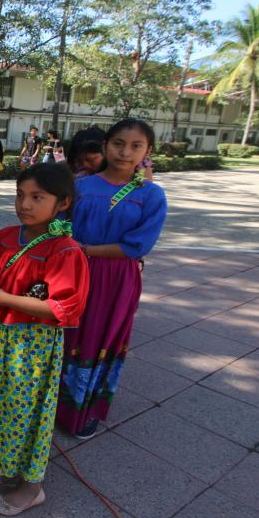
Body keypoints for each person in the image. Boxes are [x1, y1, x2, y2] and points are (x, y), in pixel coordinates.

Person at [0, 163, 90, 515]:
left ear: (62, 203)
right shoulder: (3, 237)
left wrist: (4, 300)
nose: (25, 204)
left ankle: (32, 485)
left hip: (31, 344)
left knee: (25, 410)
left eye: (38, 197)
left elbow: (62, 307)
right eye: (20, 195)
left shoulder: (64, 251)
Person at [56, 119, 167, 439]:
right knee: (62, 335)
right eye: (118, 143)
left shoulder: (151, 196)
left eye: (136, 146)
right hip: (70, 270)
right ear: (106, 146)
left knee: (98, 338)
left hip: (115, 278)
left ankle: (83, 410)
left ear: (148, 152)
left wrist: (86, 249)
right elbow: (58, 224)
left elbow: (138, 245)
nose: (125, 151)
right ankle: (48, 404)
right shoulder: (80, 186)